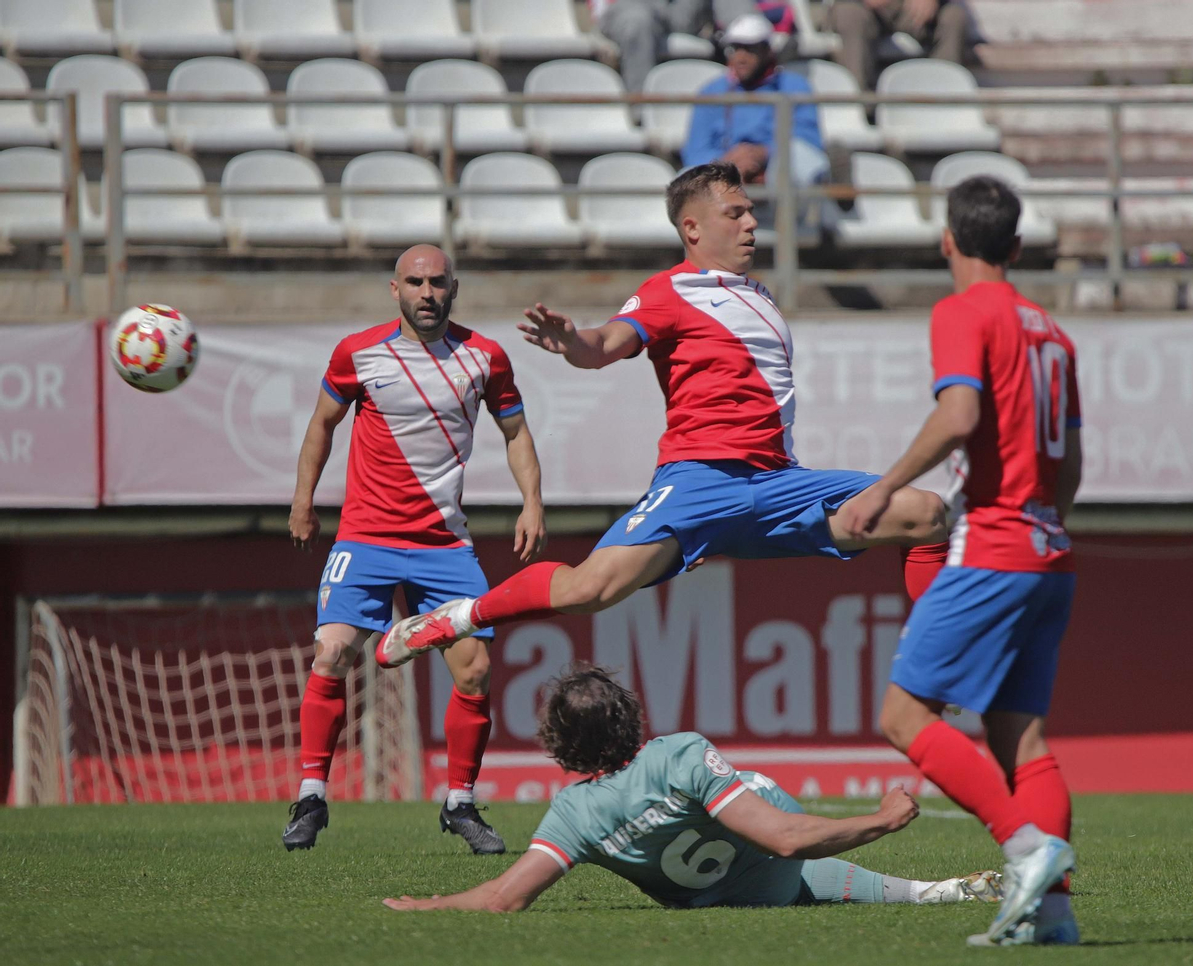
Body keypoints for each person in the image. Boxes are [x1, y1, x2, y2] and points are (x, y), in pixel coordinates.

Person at [372, 162, 949, 668]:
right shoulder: (669, 291)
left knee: (925, 514)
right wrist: (575, 342)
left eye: (751, 212)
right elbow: (606, 344)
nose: (751, 223)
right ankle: (458, 618)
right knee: (587, 590)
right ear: (692, 228)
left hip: (777, 485)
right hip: (701, 482)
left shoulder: (761, 294)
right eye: (736, 213)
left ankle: (931, 660)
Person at [835, 176, 1081, 947]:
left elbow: (960, 412)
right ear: (1014, 247)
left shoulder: (961, 310)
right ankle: (1055, 917)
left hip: (994, 547)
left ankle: (1027, 847)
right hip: (1050, 551)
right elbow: (1071, 459)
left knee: (902, 716)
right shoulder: (1051, 332)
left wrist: (885, 488)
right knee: (1021, 742)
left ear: (948, 242)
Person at [282, 245, 546, 854]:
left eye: (438, 283)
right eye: (415, 283)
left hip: (444, 544)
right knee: (332, 654)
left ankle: (459, 804)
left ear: (455, 288)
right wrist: (303, 500)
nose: (427, 293)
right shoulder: (358, 352)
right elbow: (321, 424)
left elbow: (515, 431)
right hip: (365, 539)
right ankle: (312, 796)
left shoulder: (485, 356)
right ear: (394, 289)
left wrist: (531, 502)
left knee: (475, 671)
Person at [383, 663, 1002, 912]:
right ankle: (936, 892)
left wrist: (427, 906)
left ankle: (933, 892)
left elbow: (503, 897)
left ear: (557, 742)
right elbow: (785, 839)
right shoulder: (677, 752)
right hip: (772, 871)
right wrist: (882, 818)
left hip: (723, 900)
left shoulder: (569, 815)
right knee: (752, 791)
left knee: (754, 839)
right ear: (630, 713)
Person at [681, 14, 829, 191]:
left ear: (768, 50)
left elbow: (809, 140)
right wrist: (728, 162)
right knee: (686, 178)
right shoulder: (711, 91)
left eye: (750, 49)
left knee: (802, 159)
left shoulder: (795, 86)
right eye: (736, 48)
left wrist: (764, 153)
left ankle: (795, 215)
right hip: (724, 175)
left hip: (779, 173)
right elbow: (695, 150)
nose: (741, 57)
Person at [594, 0, 755, 93]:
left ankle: (764, 82)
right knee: (638, 24)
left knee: (749, 24)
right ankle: (642, 111)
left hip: (681, 8)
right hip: (634, 6)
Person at [828, 0, 973, 91]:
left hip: (910, 7)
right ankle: (860, 108)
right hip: (857, 6)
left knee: (954, 16)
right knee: (851, 16)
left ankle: (943, 104)